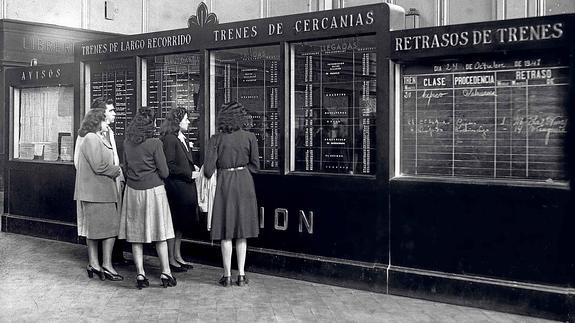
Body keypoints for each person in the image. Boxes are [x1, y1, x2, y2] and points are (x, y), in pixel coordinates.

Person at [118, 107, 176, 289]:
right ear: (152, 123)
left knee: (136, 236)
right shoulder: (155, 143)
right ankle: (166, 273)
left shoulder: (127, 143)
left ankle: (140, 274)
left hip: (133, 191)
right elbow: (165, 172)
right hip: (154, 191)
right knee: (161, 233)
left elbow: (125, 168)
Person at [204, 101, 260, 287]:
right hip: (244, 182)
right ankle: (242, 275)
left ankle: (227, 275)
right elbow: (255, 166)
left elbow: (208, 171)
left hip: (225, 183)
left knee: (226, 231)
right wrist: (241, 171)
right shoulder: (250, 137)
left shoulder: (216, 139)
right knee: (242, 231)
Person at [74, 108, 123, 282]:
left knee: (97, 231)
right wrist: (119, 170)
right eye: (104, 120)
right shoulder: (91, 138)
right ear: (96, 121)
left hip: (99, 192)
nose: (108, 122)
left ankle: (95, 265)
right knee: (109, 230)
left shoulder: (96, 137)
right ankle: (106, 265)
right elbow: (98, 166)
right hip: (97, 192)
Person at [90, 98, 129, 266]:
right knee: (101, 223)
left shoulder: (109, 132)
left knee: (115, 220)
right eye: (111, 110)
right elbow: (82, 163)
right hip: (99, 184)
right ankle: (99, 261)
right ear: (101, 113)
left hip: (113, 181)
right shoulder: (89, 135)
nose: (115, 113)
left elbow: (113, 158)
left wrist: (119, 177)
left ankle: (114, 257)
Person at [160, 107, 199, 273]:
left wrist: (192, 166)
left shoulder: (180, 137)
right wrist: (189, 173)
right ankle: (171, 259)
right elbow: (169, 166)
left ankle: (177, 256)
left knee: (180, 225)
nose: (188, 122)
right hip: (176, 188)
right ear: (177, 121)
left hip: (184, 187)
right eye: (185, 119)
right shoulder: (170, 139)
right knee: (174, 224)